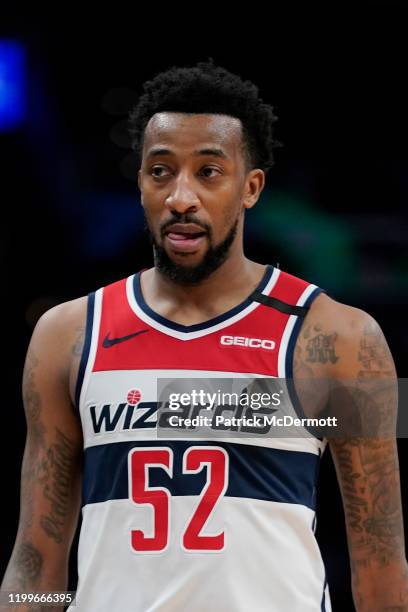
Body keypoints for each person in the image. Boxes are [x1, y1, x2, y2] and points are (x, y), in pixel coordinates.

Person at [1, 60, 407, 612]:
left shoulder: (345, 337)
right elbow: (36, 556)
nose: (181, 197)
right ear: (141, 182)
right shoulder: (65, 335)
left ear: (251, 187)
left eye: (209, 172)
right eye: (161, 171)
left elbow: (380, 560)